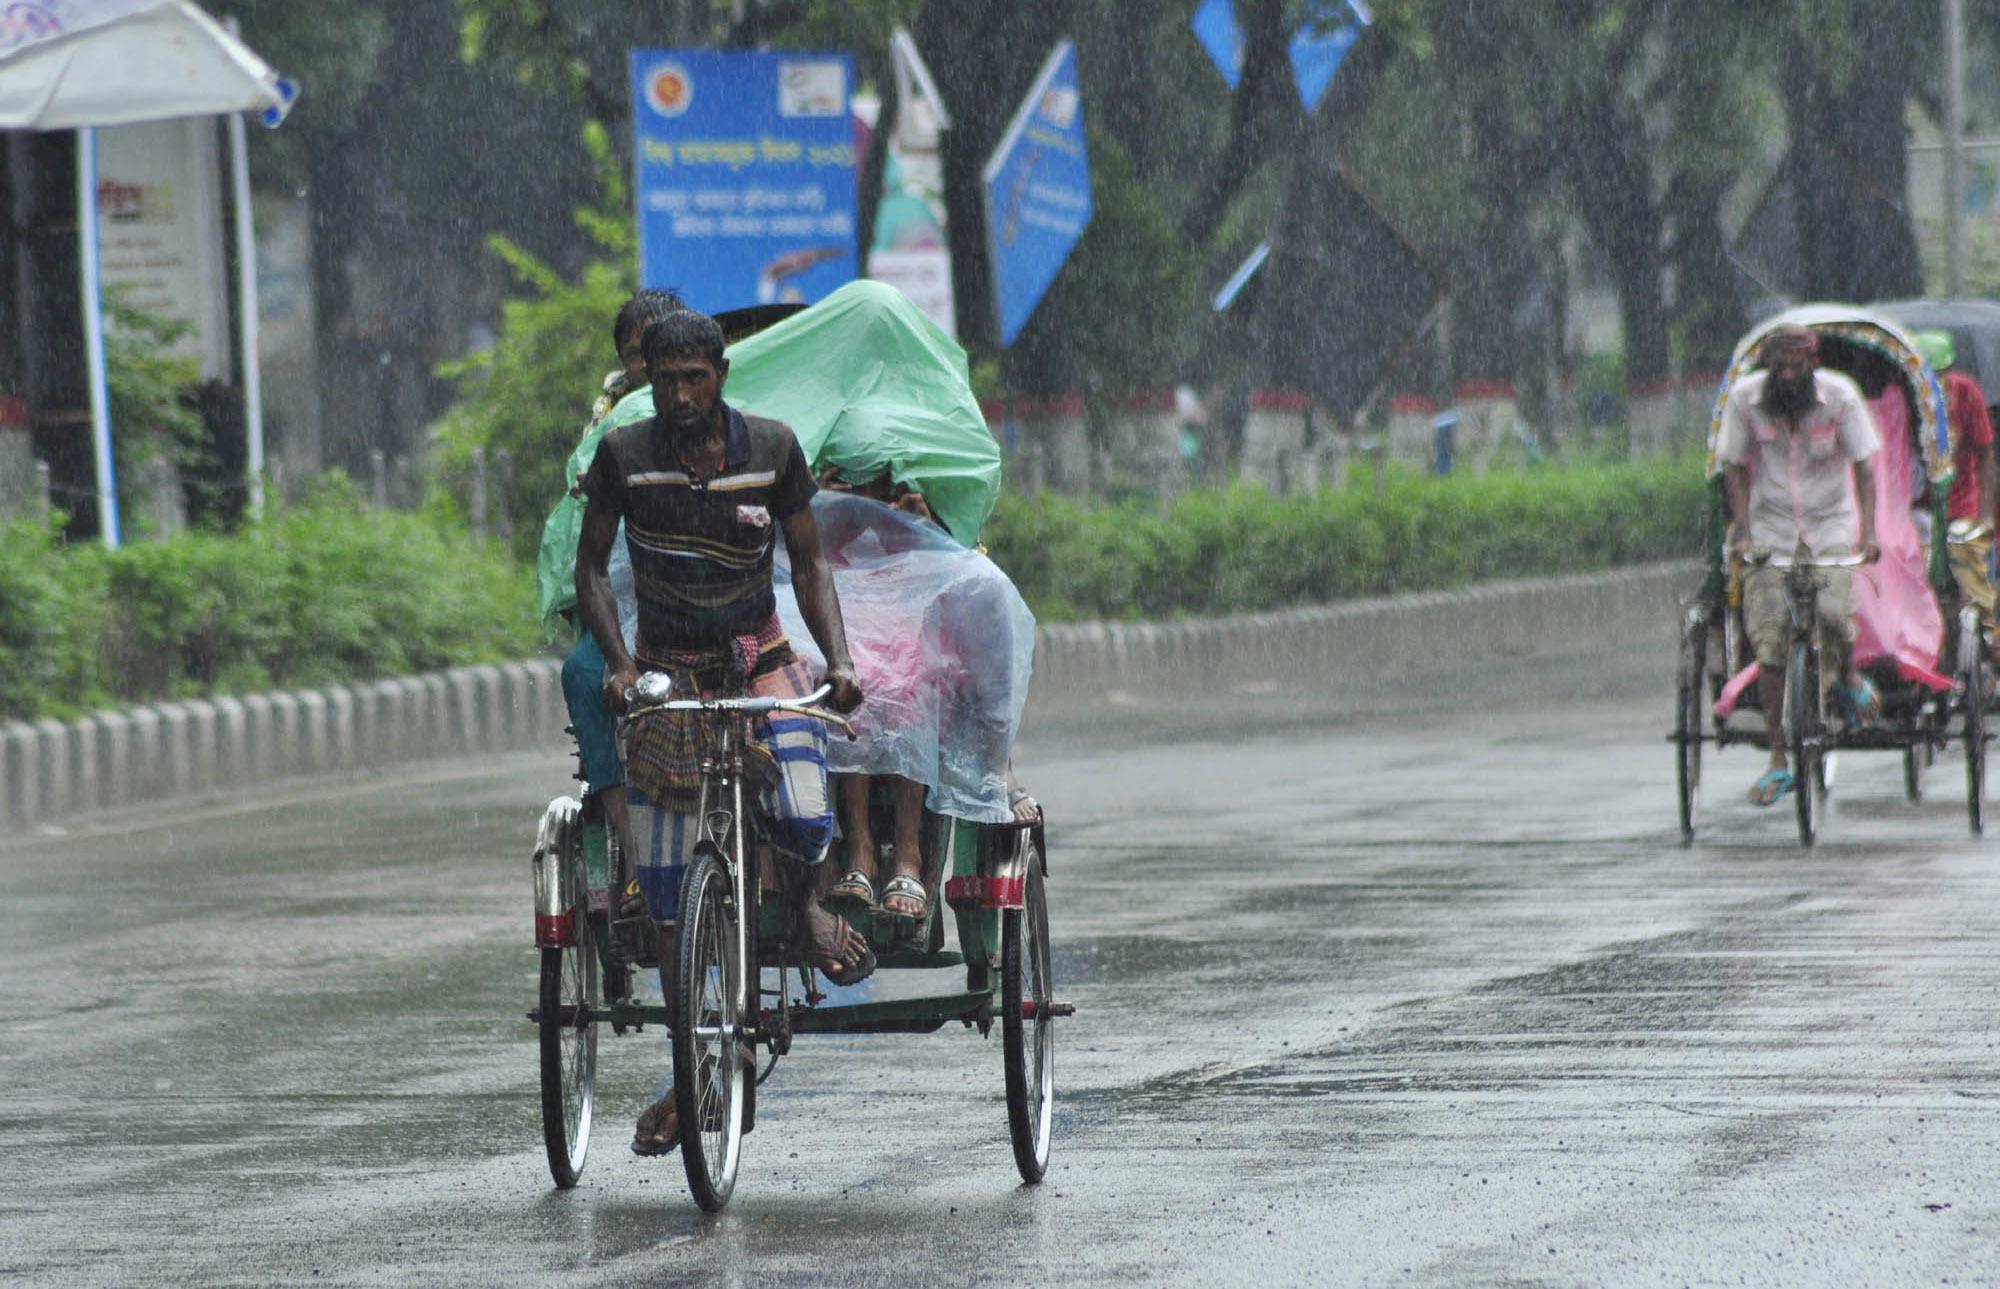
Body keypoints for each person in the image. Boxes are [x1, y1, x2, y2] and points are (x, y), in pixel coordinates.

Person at [575, 309, 869, 1155]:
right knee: (666, 893)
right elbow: (592, 567)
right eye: (665, 380)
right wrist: (620, 661)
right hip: (669, 666)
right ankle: (691, 1055)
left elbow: (810, 564)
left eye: (694, 378)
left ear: (720, 375)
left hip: (763, 655)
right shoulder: (624, 456)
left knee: (808, 806)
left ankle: (807, 904)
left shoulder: (773, 450)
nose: (680, 394)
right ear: (650, 383)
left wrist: (838, 659)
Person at [1718, 323, 1881, 807]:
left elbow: (1866, 467)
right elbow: (1732, 467)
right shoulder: (1747, 400)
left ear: (1813, 364)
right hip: (1771, 530)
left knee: (1832, 612)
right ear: (1768, 365)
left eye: (1795, 366)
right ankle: (1778, 757)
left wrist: (1869, 532)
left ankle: (1848, 675)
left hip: (1830, 525)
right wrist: (1745, 532)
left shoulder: (1841, 397)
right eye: (1779, 366)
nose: (1787, 375)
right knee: (1769, 640)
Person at [549, 289, 684, 872]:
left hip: (706, 591)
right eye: (638, 354)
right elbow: (591, 558)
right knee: (584, 671)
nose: (653, 365)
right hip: (627, 593)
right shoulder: (612, 435)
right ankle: (632, 848)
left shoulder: (726, 418)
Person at [1912, 330, 1998, 633]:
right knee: (1916, 571)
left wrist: (1985, 513)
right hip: (1921, 507)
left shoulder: (1967, 393)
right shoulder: (1908, 399)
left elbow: (1986, 454)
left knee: (1971, 568)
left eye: (1939, 374)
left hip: (1963, 502)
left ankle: (1983, 637)